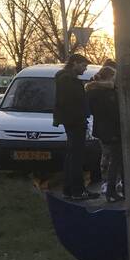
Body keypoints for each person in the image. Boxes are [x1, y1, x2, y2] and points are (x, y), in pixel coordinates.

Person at [53, 54, 98, 201]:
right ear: (75, 63)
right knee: (76, 158)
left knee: (72, 157)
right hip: (75, 122)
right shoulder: (68, 80)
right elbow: (72, 102)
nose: (85, 69)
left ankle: (69, 190)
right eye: (83, 66)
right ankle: (77, 191)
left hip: (73, 121)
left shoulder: (65, 78)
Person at [85, 66, 123, 203]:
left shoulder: (93, 91)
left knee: (110, 159)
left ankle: (110, 188)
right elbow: (113, 113)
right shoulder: (106, 93)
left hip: (102, 131)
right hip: (111, 130)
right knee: (116, 160)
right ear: (110, 77)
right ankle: (111, 191)